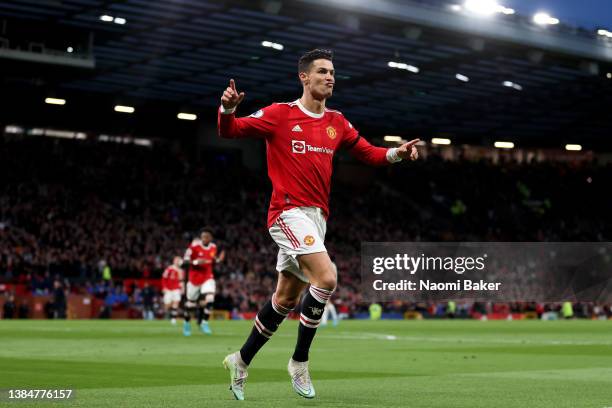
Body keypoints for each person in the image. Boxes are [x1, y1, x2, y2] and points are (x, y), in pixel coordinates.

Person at [218, 49, 419, 400]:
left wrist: (397, 153)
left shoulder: (337, 122)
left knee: (284, 298)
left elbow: (368, 153)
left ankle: (240, 359)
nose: (330, 77)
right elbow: (230, 130)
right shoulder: (280, 115)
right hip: (287, 212)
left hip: (316, 217)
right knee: (327, 278)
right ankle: (299, 362)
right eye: (323, 72)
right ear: (304, 77)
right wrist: (228, 108)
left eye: (333, 73)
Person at [182, 228, 225, 336]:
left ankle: (204, 323)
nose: (204, 238)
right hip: (194, 279)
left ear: (211, 238)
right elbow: (184, 263)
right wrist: (195, 262)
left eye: (206, 236)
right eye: (203, 236)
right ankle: (187, 323)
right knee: (190, 304)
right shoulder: (194, 247)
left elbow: (212, 258)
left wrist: (218, 260)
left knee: (210, 298)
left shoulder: (213, 247)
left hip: (207, 277)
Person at [161, 256, 185, 325]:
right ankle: (167, 315)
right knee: (167, 305)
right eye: (176, 260)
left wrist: (182, 288)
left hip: (176, 289)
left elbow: (181, 281)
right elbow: (164, 278)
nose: (177, 261)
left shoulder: (181, 271)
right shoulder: (169, 269)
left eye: (179, 260)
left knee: (176, 303)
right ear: (174, 261)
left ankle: (173, 319)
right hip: (168, 289)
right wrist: (164, 287)